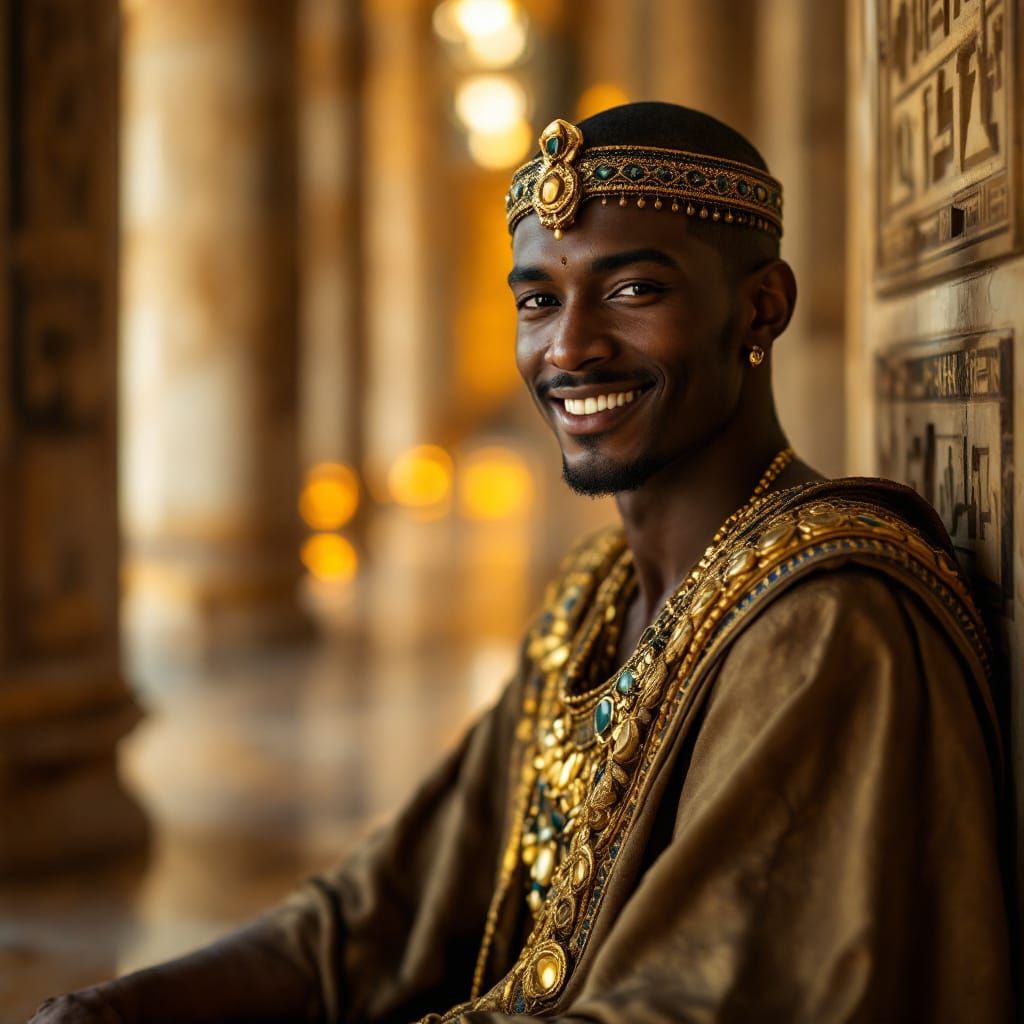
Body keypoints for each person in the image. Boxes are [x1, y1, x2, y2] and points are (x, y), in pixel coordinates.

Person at [33, 102, 1012, 1023]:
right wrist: (110, 1007)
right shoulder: (595, 596)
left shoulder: (826, 624)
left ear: (760, 310)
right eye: (538, 300)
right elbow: (374, 917)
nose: (570, 347)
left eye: (633, 291)